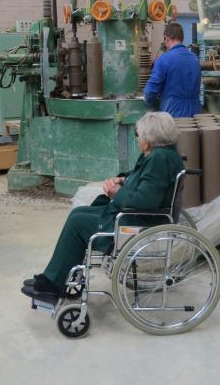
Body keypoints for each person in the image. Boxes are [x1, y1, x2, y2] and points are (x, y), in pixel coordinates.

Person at [21, 112, 184, 304]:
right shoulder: (162, 155)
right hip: (133, 214)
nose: (137, 138)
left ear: (148, 140)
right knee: (78, 213)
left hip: (137, 220)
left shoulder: (158, 159)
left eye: (138, 134)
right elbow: (142, 179)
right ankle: (58, 277)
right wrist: (122, 179)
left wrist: (116, 192)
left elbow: (143, 201)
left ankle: (53, 283)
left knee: (78, 222)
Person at [143, 22, 202, 118]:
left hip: (173, 112)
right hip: (195, 112)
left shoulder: (163, 60)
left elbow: (151, 92)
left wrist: (148, 99)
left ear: (166, 38)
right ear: (182, 38)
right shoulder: (195, 59)